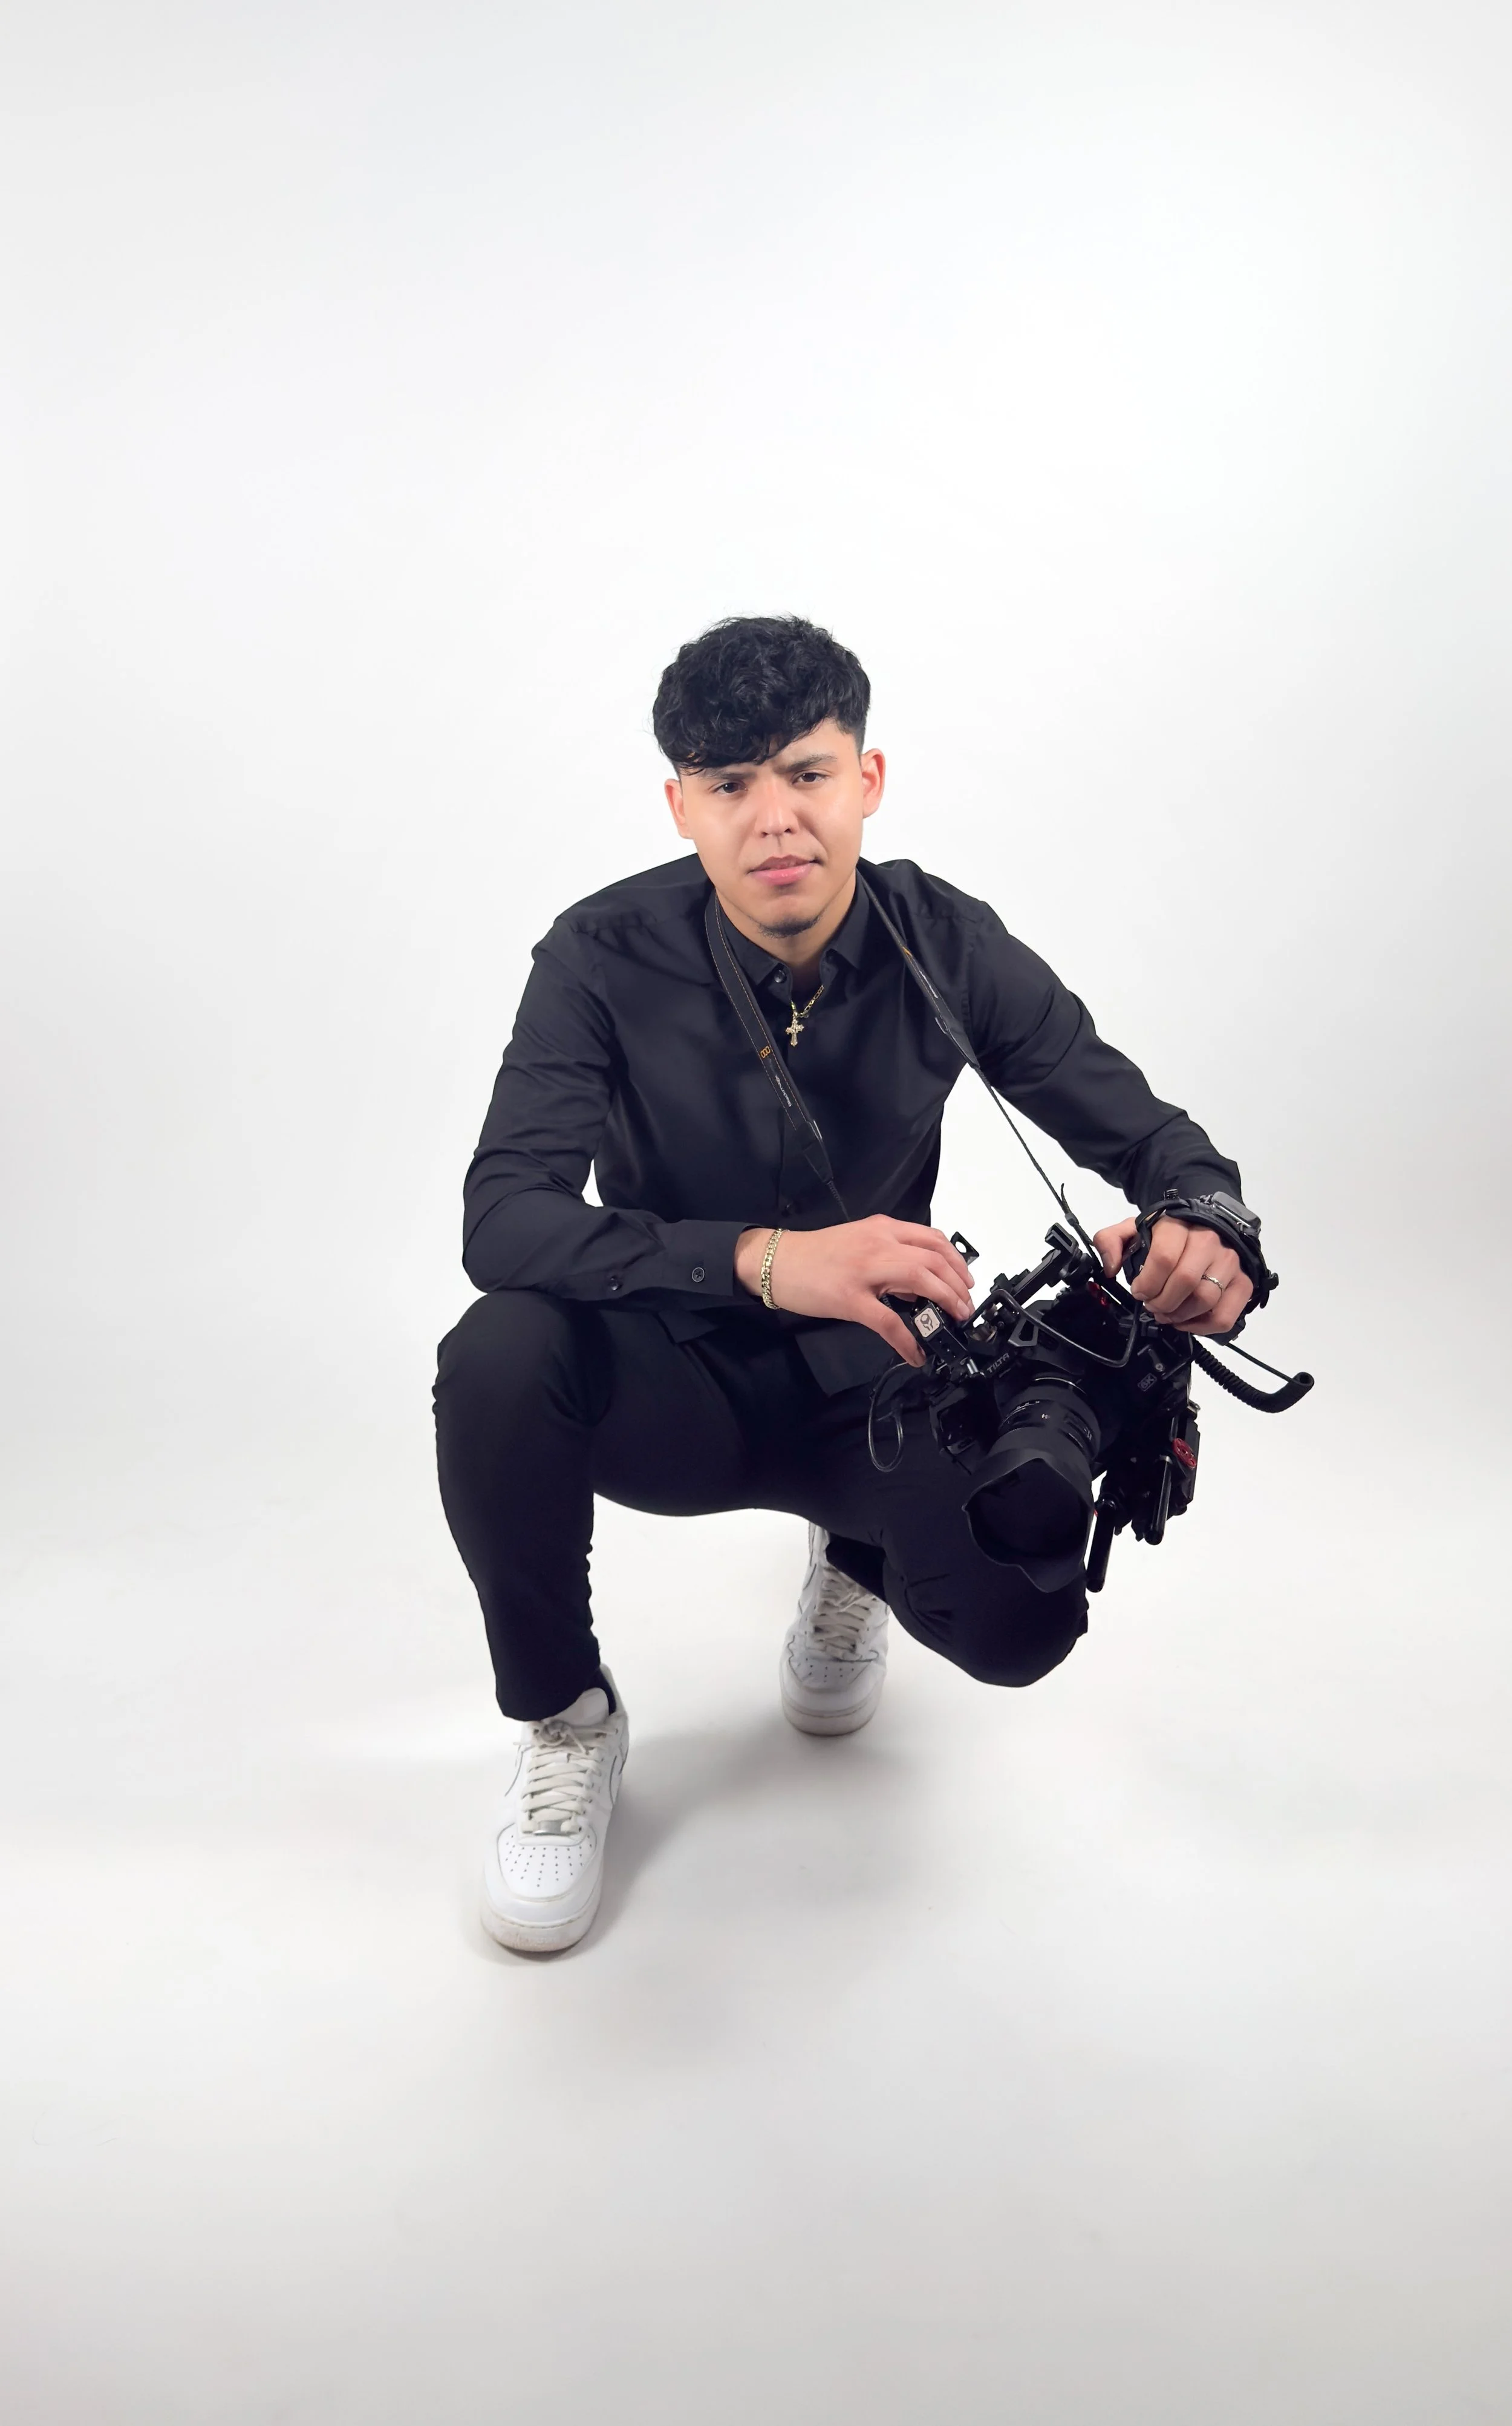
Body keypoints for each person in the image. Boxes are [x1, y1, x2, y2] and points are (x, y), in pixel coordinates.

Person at [435, 616, 1256, 1954]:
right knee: (497, 1356)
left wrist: (1199, 1226)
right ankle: (568, 1717)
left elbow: (1156, 1140)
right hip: (669, 1375)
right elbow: (502, 1219)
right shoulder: (597, 954)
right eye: (728, 784)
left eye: (806, 774)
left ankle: (855, 1562)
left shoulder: (943, 935)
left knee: (1020, 1627)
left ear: (865, 781)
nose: (774, 819)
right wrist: (762, 1259)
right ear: (680, 807)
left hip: (878, 1383)